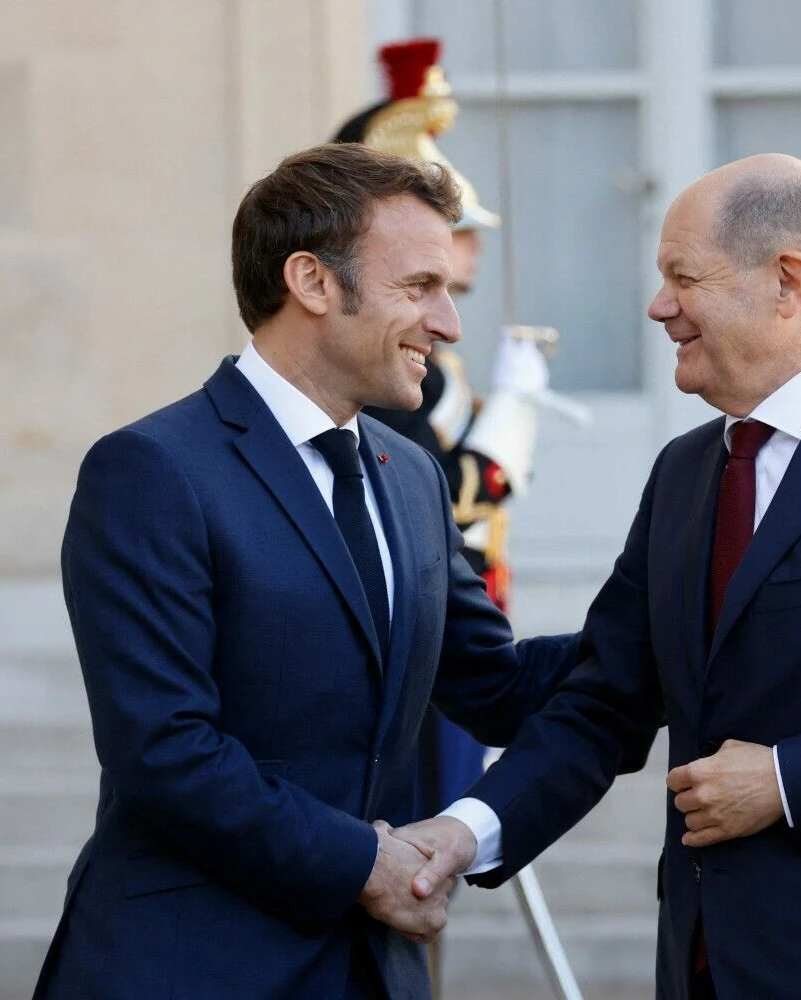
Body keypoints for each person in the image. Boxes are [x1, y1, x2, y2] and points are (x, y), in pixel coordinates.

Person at [398, 154, 801, 999]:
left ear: (788, 282)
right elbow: (605, 697)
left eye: (683, 277)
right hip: (705, 965)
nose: (658, 306)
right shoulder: (684, 474)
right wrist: (463, 833)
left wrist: (786, 782)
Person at [33, 143, 581, 1000]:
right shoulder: (152, 469)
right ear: (314, 283)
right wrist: (367, 862)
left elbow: (497, 685)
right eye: (419, 288)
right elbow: (164, 748)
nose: (449, 323)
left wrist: (666, 619)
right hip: (187, 967)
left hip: (370, 970)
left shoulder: (413, 478)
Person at [334, 37, 552, 817]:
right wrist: (517, 415)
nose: (473, 247)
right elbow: (455, 493)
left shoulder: (431, 357)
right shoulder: (383, 369)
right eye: (459, 233)